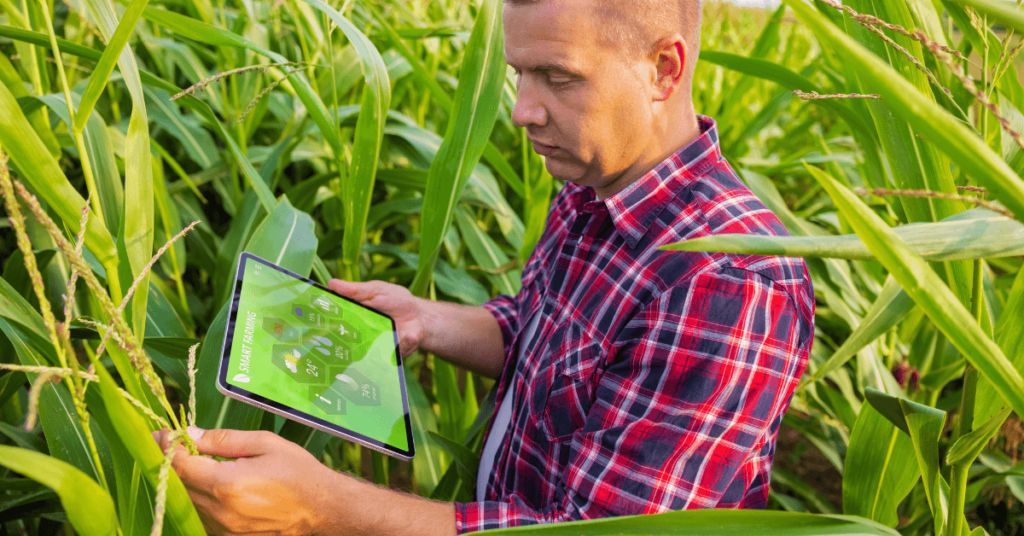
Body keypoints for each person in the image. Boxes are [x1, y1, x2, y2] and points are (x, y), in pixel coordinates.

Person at [152, 0, 815, 534]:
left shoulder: (728, 279)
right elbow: (546, 333)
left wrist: (322, 508)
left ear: (663, 70)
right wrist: (425, 320)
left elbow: (598, 534)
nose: (523, 110)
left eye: (559, 78)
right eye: (519, 73)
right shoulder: (594, 180)